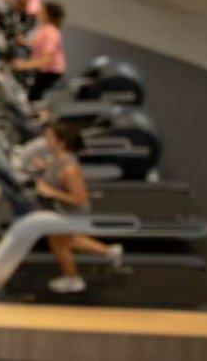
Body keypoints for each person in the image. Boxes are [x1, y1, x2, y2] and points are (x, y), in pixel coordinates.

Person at [34, 121, 124, 294]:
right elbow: (54, 173)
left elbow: (80, 199)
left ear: (61, 142)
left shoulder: (70, 168)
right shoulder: (58, 158)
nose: (45, 139)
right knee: (66, 240)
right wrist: (43, 168)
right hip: (62, 209)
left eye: (49, 137)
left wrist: (51, 192)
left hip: (73, 214)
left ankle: (73, 280)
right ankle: (110, 251)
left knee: (58, 242)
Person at [12, 1, 66, 101]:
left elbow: (47, 58)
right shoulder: (44, 28)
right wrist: (23, 42)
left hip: (51, 72)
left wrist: (24, 65)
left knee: (33, 96)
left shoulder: (50, 32)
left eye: (41, 11)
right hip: (44, 69)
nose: (38, 12)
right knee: (33, 93)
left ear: (47, 15)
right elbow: (38, 45)